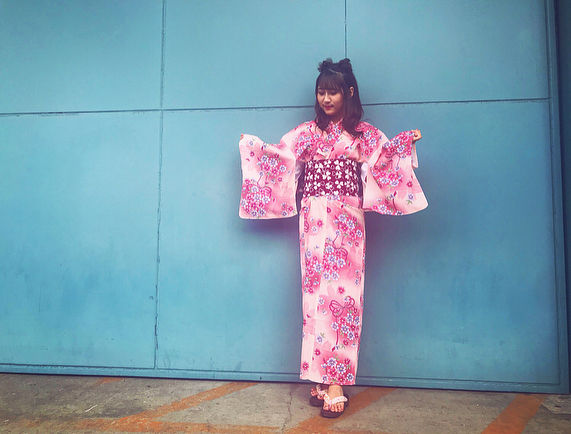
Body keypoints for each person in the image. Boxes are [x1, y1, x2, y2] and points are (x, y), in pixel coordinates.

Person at [238, 58, 427, 417]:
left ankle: (336, 380)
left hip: (347, 218)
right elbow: (280, 159)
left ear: (349, 93)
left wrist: (404, 142)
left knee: (343, 296)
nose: (326, 99)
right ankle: (319, 377)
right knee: (314, 297)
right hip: (312, 219)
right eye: (321, 92)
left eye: (333, 92)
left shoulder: (362, 134)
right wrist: (253, 147)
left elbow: (383, 159)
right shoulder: (306, 133)